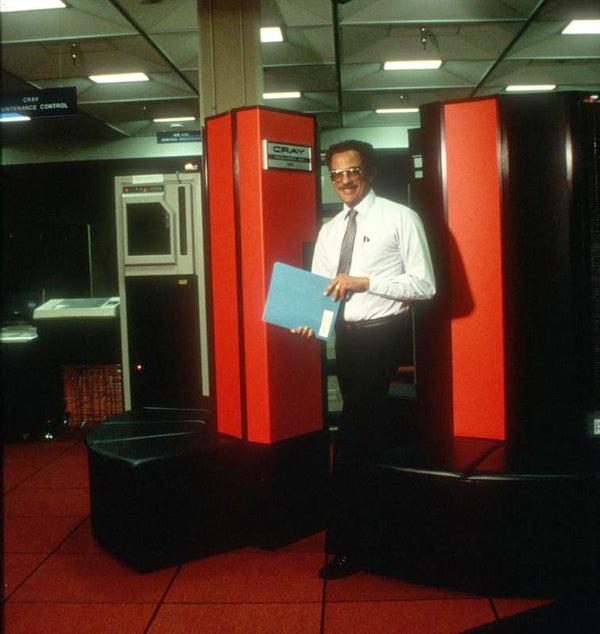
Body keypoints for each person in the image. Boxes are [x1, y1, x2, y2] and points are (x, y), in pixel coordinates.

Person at [292, 139, 436, 579]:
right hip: (348, 339)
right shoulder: (332, 229)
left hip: (384, 336)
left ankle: (348, 546)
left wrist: (365, 282)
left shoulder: (400, 217)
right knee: (365, 436)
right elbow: (320, 286)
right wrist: (305, 319)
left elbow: (424, 286)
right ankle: (384, 539)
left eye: (352, 171)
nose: (344, 181)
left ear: (368, 172)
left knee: (353, 437)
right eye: (336, 174)